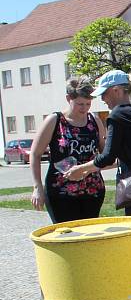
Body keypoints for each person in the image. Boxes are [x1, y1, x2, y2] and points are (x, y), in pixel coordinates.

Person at [63, 70, 131, 216]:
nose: (102, 99)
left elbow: (108, 156)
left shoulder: (116, 115)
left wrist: (81, 169)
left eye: (104, 93)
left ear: (117, 91)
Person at [30, 77, 107, 223]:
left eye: (88, 104)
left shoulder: (94, 121)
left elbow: (105, 154)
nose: (84, 108)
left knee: (89, 236)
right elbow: (35, 154)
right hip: (61, 192)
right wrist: (37, 187)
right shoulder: (55, 120)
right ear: (68, 99)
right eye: (79, 104)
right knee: (67, 236)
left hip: (92, 190)